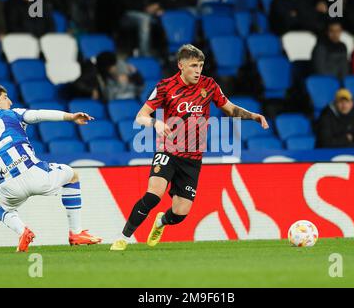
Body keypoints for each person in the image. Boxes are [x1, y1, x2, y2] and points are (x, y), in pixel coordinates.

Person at [110, 44, 269, 251]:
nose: (198, 70)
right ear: (181, 65)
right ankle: (123, 238)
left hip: (193, 158)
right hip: (167, 150)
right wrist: (156, 123)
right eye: (193, 65)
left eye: (201, 65)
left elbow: (230, 109)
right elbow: (141, 116)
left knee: (180, 213)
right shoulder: (165, 86)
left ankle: (160, 223)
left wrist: (254, 116)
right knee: (153, 195)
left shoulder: (209, 85)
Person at [0, 84, 102, 252]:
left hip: (9, 186)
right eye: (5, 98)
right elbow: (40, 114)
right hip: (36, 174)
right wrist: (71, 117)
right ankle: (76, 233)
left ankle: (23, 231)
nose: (10, 102)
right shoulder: (12, 114)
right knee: (72, 175)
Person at [70, 51, 144, 101]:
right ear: (107, 67)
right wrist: (91, 92)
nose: (115, 68)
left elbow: (139, 87)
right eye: (113, 66)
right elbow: (78, 84)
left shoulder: (111, 73)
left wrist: (135, 73)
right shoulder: (92, 72)